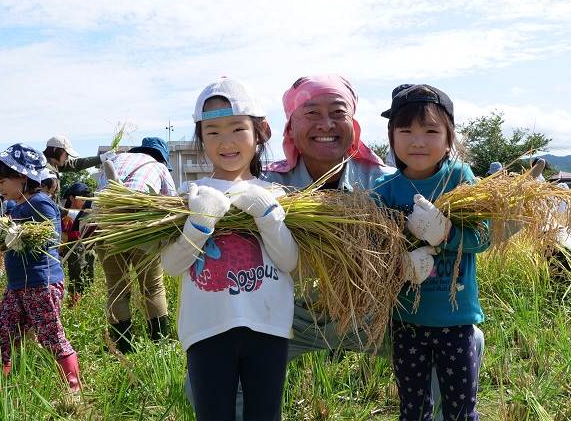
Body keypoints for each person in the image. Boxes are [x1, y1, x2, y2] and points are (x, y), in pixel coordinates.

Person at [261, 77, 490, 421]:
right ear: (291, 126)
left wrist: (438, 238)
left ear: (353, 126)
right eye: (311, 113)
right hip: (294, 315)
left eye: (337, 113)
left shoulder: (387, 180)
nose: (326, 124)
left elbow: (484, 234)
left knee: (468, 341)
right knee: (231, 365)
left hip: (372, 316)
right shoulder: (267, 186)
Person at [157, 78, 299, 421]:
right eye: (213, 132)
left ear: (260, 131)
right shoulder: (190, 194)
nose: (227, 142)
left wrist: (267, 214)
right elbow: (172, 266)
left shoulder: (275, 194)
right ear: (201, 137)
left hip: (269, 327)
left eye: (237, 128)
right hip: (206, 330)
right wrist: (199, 223)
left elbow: (289, 261)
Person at [373, 83, 489, 421]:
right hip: (406, 320)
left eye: (430, 130)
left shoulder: (460, 178)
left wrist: (447, 233)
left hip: (456, 320)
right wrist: (398, 265)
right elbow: (370, 253)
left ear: (449, 137)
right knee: (413, 409)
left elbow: (484, 237)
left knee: (460, 409)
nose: (418, 140)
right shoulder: (384, 191)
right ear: (392, 136)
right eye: (405, 130)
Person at [0, 144, 80, 408]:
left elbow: (47, 235)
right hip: (17, 286)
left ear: (23, 177)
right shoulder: (14, 207)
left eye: (2, 181)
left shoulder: (40, 203)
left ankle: (73, 389)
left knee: (50, 336)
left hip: (41, 283)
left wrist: (16, 234)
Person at [97, 137, 175, 353]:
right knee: (152, 288)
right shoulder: (158, 167)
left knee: (116, 288)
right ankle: (160, 344)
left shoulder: (116, 159)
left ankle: (124, 348)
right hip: (142, 226)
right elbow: (171, 202)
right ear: (161, 156)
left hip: (106, 225)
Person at [61, 182, 96, 306]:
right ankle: (77, 303)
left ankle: (84, 302)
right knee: (78, 276)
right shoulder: (70, 213)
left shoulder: (90, 208)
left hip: (85, 246)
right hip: (75, 246)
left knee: (86, 275)